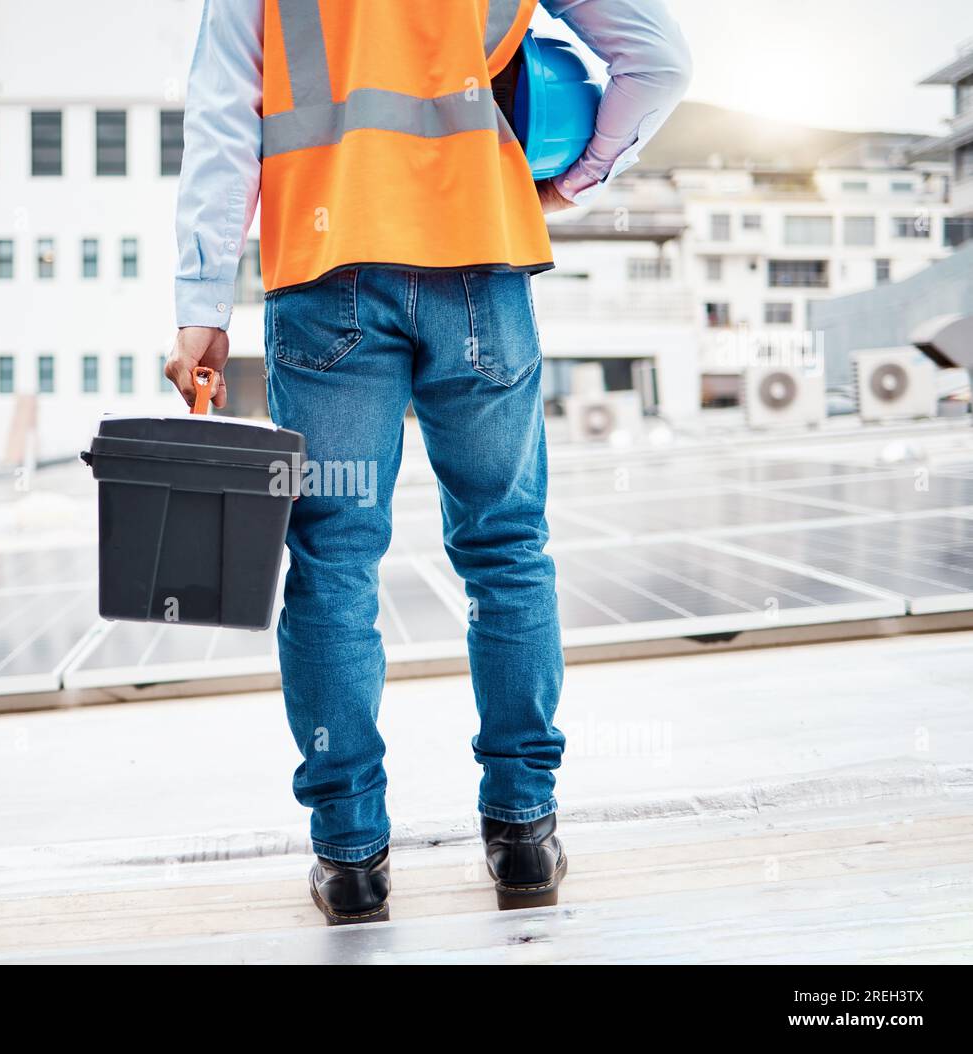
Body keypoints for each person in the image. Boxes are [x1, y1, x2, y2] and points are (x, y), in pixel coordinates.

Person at [165, 0, 690, 925]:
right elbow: (657, 59)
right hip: (478, 260)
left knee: (332, 566)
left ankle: (352, 855)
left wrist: (202, 303)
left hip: (326, 272)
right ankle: (524, 832)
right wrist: (573, 181)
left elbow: (220, 116)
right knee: (507, 550)